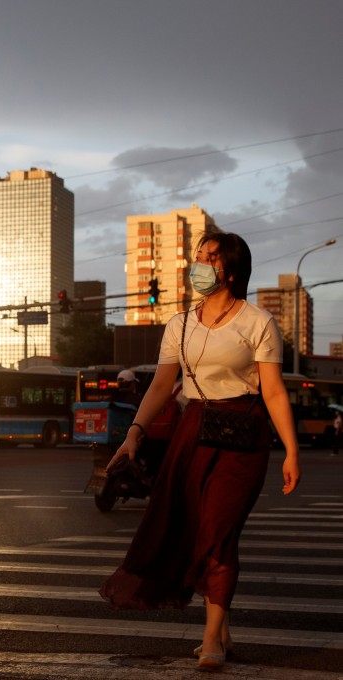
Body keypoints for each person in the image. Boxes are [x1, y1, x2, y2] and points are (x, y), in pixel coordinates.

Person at [99, 232, 301, 672]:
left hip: (244, 435)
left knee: (219, 532)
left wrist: (291, 450)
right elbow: (159, 387)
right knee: (195, 530)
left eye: (210, 258)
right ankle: (221, 625)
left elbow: (274, 393)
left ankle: (211, 636)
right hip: (193, 432)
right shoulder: (180, 324)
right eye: (198, 256)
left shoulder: (258, 322)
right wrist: (134, 431)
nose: (200, 265)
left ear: (230, 270)